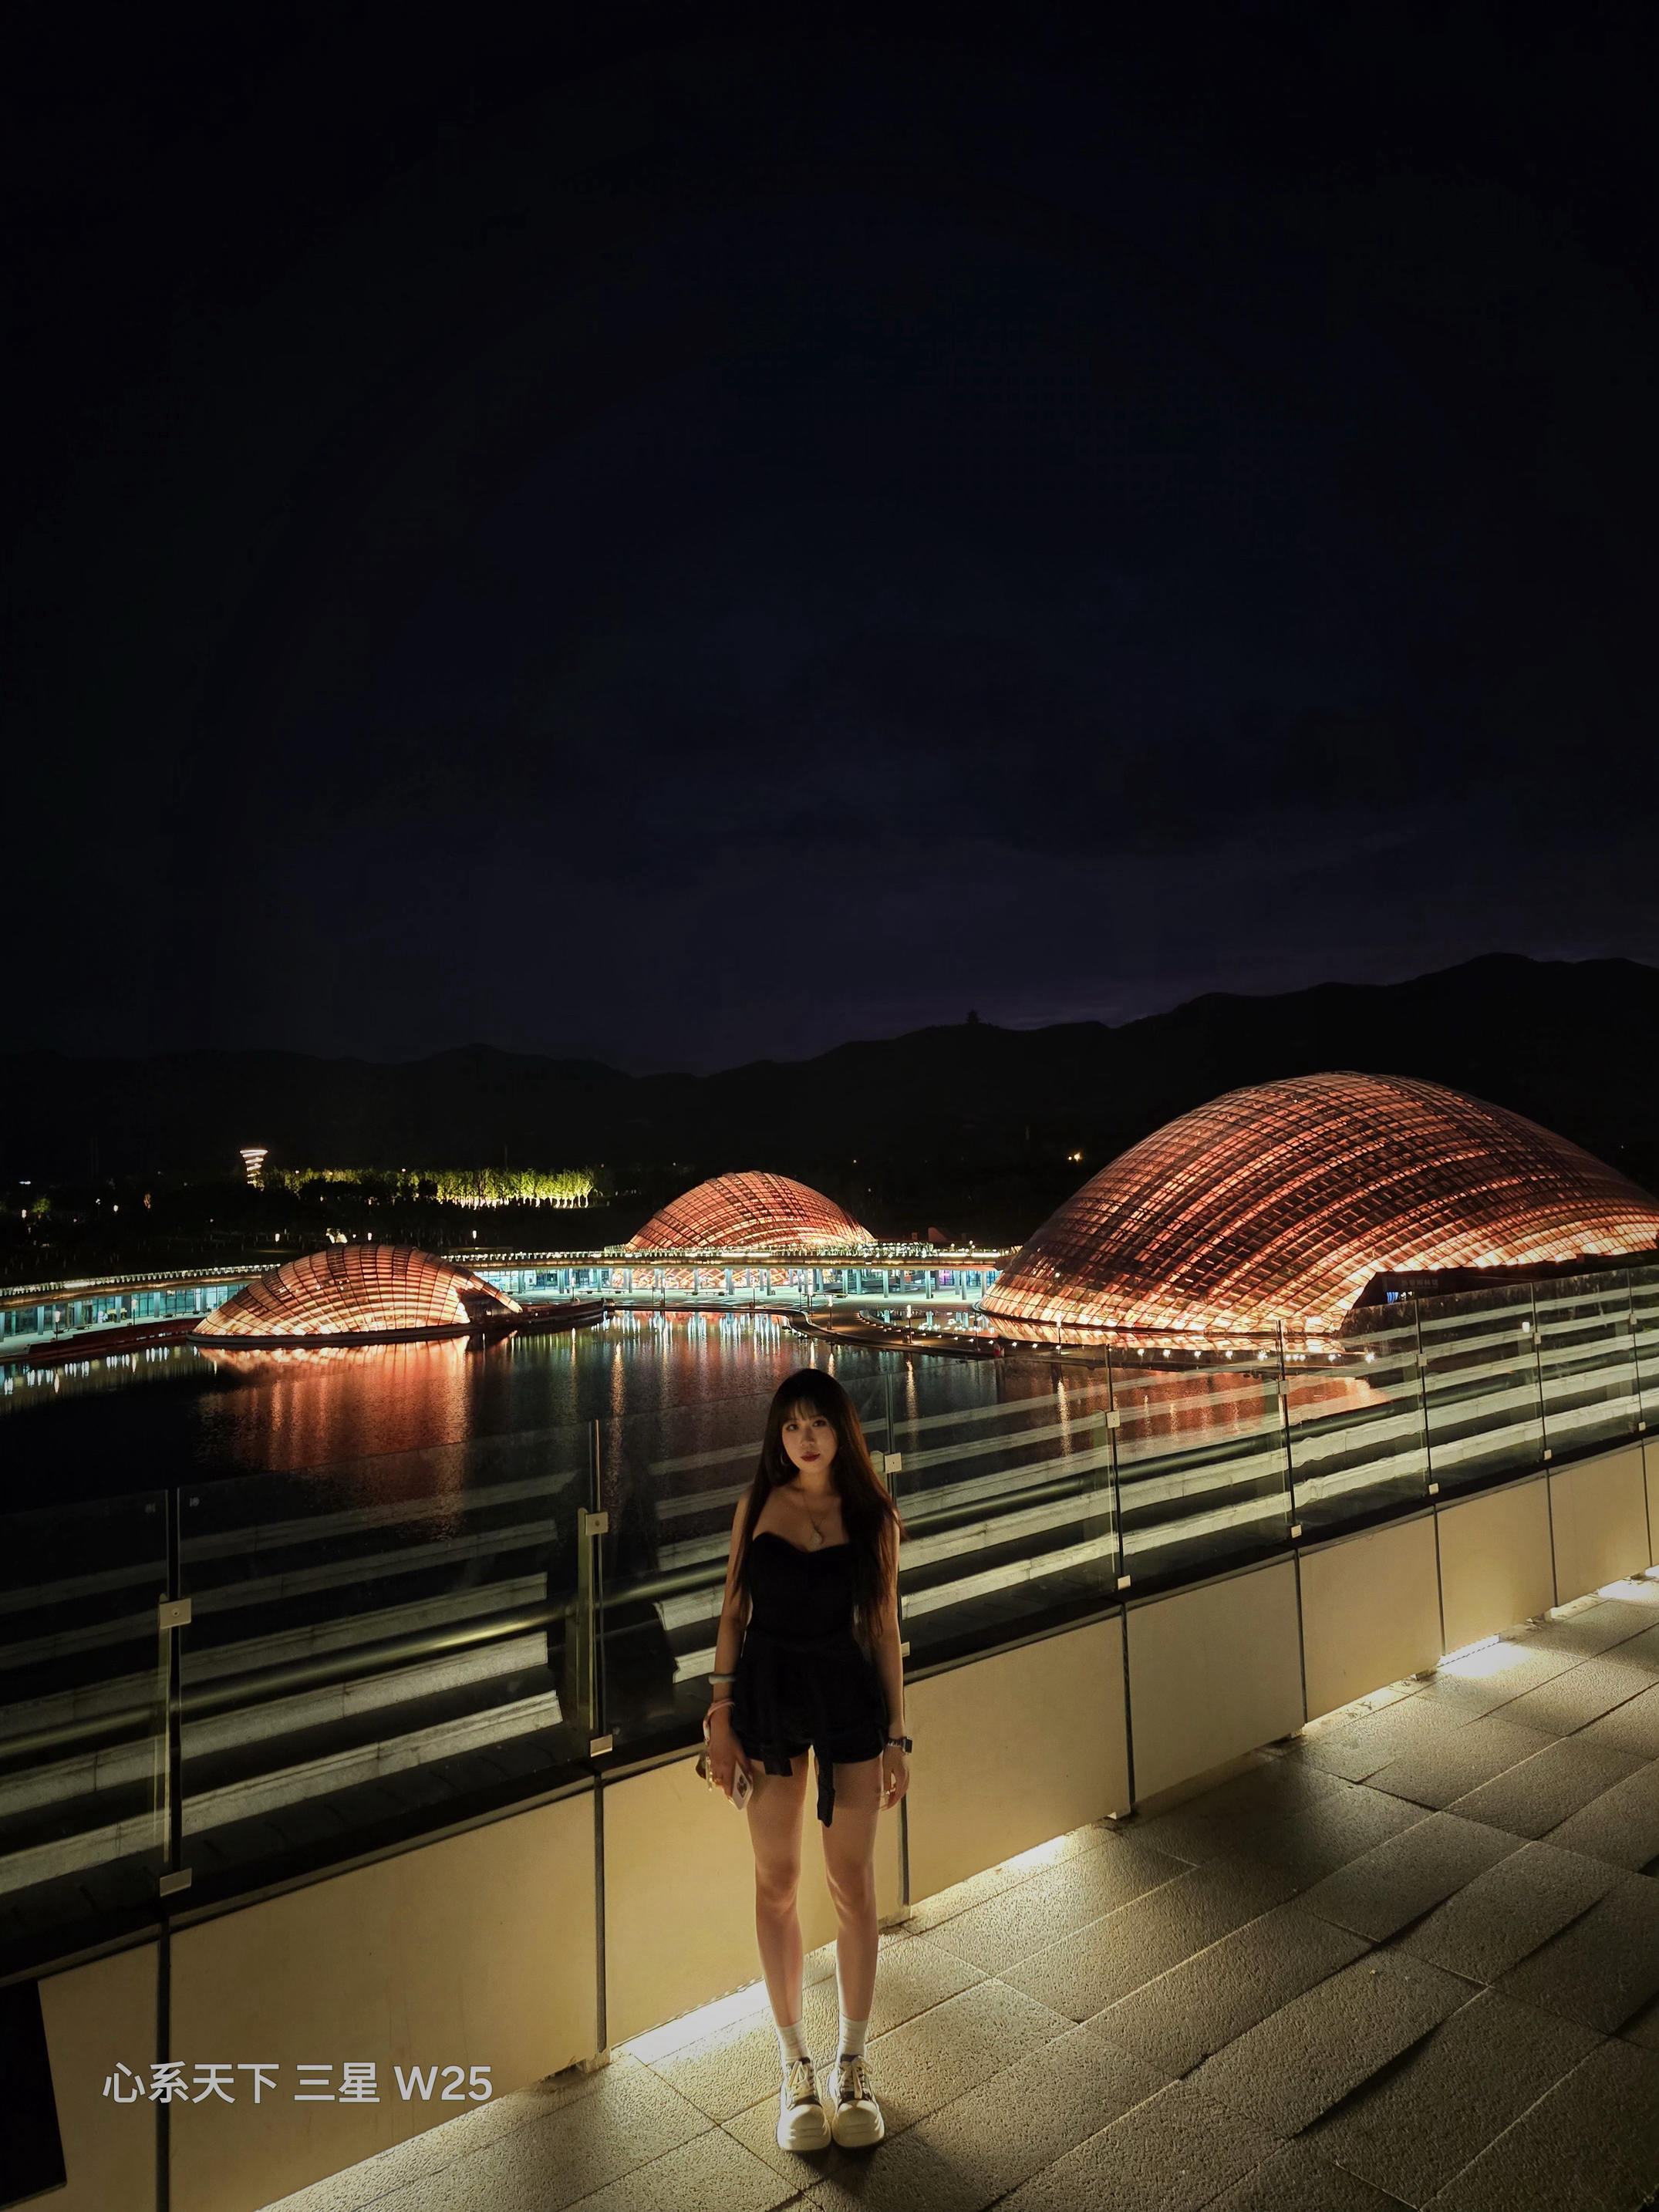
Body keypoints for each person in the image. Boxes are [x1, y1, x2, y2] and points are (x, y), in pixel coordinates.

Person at [704, 1367, 911, 2153]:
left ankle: (852, 2064)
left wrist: (896, 1736)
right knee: (778, 1880)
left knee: (851, 1883)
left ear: (841, 1430)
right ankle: (794, 2066)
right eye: (791, 1425)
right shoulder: (757, 1503)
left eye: (818, 1422)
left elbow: (884, 1629)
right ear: (778, 1436)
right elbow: (733, 1612)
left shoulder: (871, 1514)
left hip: (845, 1693)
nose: (805, 1438)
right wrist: (719, 1716)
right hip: (766, 1693)